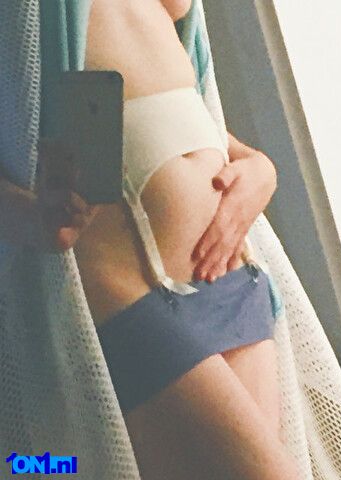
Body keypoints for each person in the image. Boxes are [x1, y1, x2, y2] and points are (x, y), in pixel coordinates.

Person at [0, 0, 300, 478]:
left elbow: (179, 101)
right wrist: (33, 218)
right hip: (122, 292)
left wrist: (260, 168)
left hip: (230, 275)